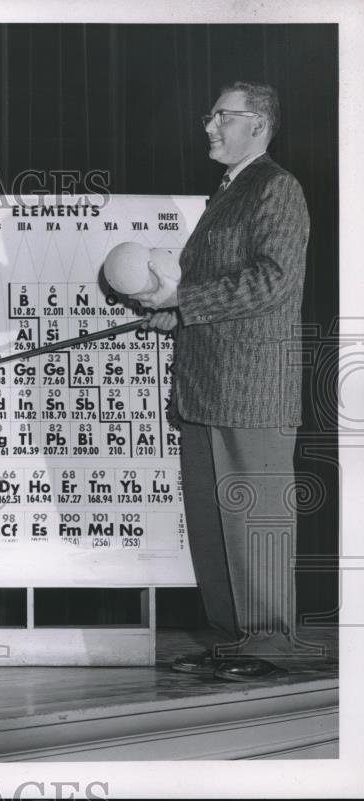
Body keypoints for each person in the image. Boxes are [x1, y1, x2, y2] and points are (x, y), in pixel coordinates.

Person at [138, 81, 315, 682]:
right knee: (215, 528)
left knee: (256, 518)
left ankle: (272, 644)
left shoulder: (276, 188)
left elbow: (272, 281)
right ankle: (234, 641)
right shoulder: (228, 193)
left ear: (259, 124)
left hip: (252, 389)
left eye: (223, 116)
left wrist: (185, 300)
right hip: (205, 387)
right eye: (210, 114)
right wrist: (175, 312)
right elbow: (218, 290)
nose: (210, 125)